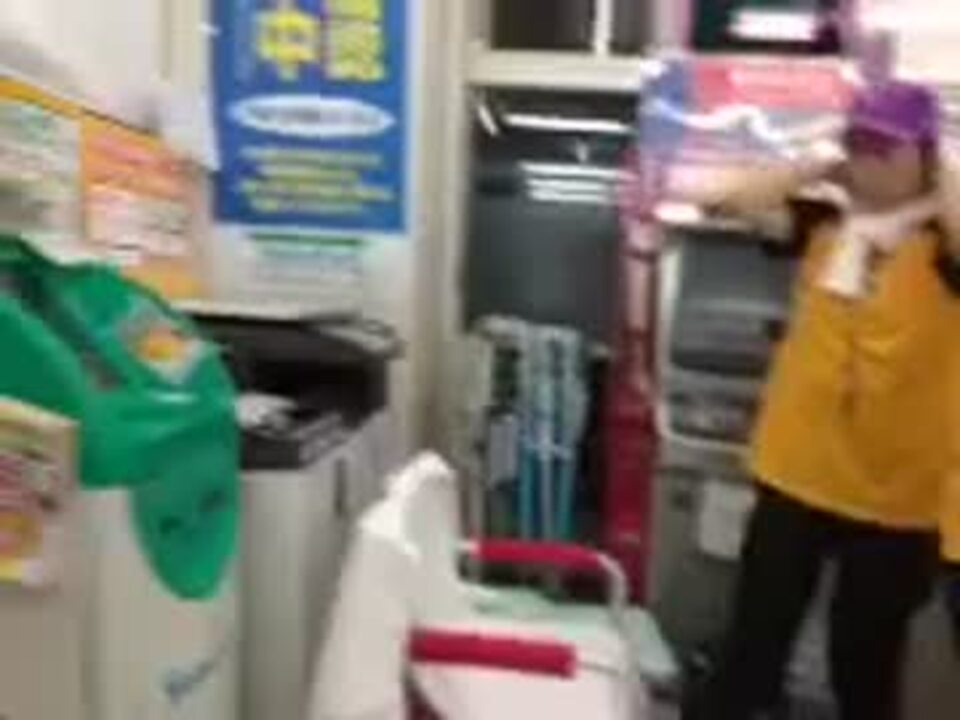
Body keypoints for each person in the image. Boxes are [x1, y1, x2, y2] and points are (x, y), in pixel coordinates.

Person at [686, 81, 960, 720]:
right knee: (751, 654)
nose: (868, 159)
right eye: (859, 143)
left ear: (923, 154)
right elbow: (722, 199)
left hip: (894, 498)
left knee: (862, 669)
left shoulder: (944, 248)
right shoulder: (825, 222)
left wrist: (940, 176)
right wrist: (815, 165)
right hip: (796, 472)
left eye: (885, 147)